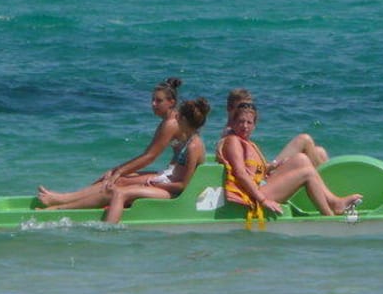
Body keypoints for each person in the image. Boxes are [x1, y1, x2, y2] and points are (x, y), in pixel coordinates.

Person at [38, 77, 184, 210]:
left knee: (118, 180)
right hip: (170, 173)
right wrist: (118, 169)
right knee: (115, 176)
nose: (153, 104)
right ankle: (64, 199)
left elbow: (150, 157)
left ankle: (63, 202)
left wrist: (119, 171)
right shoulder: (168, 121)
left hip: (172, 177)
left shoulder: (171, 123)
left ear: (171, 102)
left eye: (158, 101)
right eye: (152, 100)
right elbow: (149, 154)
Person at [218, 103, 360, 217]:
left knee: (301, 159)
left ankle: (334, 202)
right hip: (252, 196)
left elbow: (254, 172)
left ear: (254, 125)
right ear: (233, 123)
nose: (245, 126)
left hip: (261, 186)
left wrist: (273, 167)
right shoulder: (233, 141)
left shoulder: (249, 144)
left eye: (249, 123)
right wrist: (263, 200)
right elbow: (240, 173)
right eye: (241, 122)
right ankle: (329, 217)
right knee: (307, 173)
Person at [103, 97, 211, 224]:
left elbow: (183, 186)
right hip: (167, 184)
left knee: (121, 193)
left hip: (175, 194)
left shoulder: (193, 146)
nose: (175, 119)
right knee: (123, 183)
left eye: (178, 117)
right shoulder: (188, 141)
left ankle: (108, 230)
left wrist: (158, 185)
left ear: (183, 120)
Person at [218, 88, 329, 170]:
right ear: (229, 108)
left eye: (250, 107)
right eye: (242, 107)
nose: (246, 111)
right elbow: (245, 170)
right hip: (264, 176)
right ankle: (326, 185)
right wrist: (272, 167)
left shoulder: (239, 131)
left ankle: (325, 187)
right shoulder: (230, 134)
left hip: (264, 169)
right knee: (304, 139)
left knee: (319, 152)